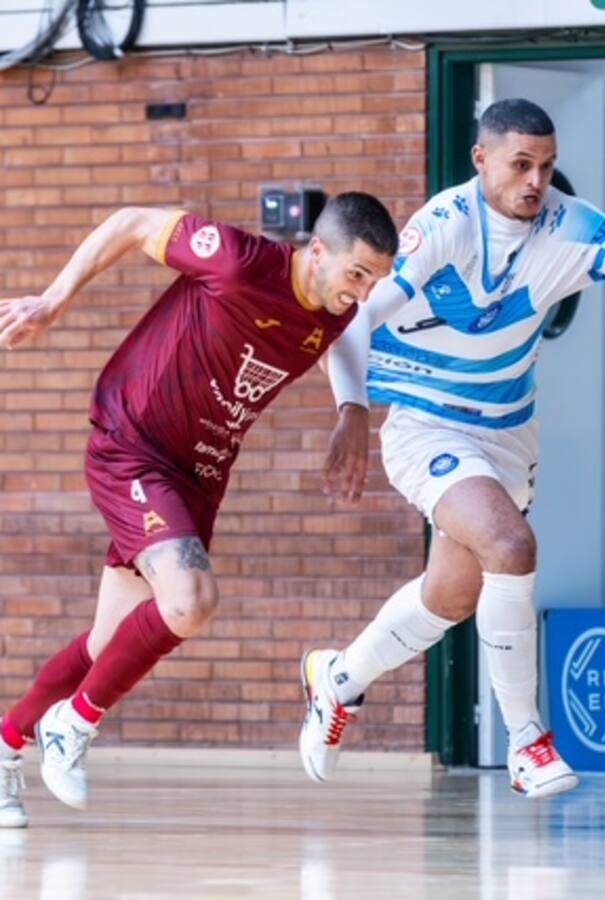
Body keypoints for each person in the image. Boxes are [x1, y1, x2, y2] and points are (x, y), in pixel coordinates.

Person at [297, 99, 605, 799]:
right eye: (520, 164)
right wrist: (350, 415)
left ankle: (337, 680)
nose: (535, 181)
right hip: (426, 422)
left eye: (547, 166)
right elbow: (351, 326)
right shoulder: (445, 223)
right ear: (481, 160)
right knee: (512, 546)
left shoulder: (573, 226)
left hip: (507, 430)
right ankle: (527, 739)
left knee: (451, 595)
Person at [0, 194, 399, 826]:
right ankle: (71, 726)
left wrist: (353, 411)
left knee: (107, 645)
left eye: (376, 279)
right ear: (316, 252)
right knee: (191, 599)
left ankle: (4, 745)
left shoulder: (335, 312)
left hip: (198, 477)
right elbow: (130, 222)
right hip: (133, 445)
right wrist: (53, 300)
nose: (364, 291)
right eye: (357, 274)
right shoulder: (239, 263)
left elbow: (349, 335)